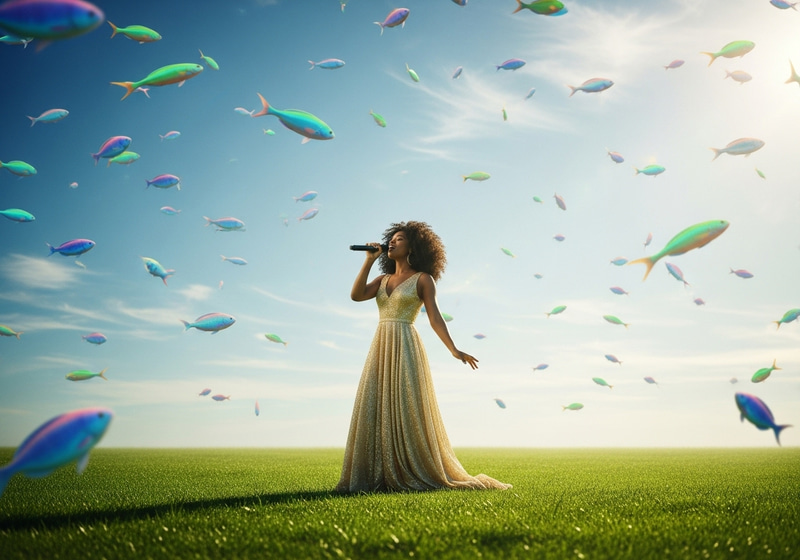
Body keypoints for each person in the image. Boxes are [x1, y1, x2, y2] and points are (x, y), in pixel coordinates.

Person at [336, 221, 511, 493]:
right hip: (381, 344)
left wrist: (454, 350)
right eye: (391, 239)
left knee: (407, 405)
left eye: (400, 239)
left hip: (405, 343)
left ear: (413, 247)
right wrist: (369, 261)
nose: (392, 242)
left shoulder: (423, 279)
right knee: (376, 403)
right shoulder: (382, 281)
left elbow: (435, 318)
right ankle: (379, 473)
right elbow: (356, 295)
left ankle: (411, 467)